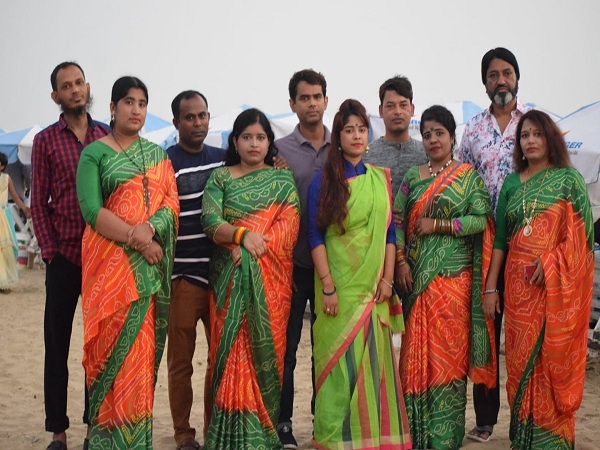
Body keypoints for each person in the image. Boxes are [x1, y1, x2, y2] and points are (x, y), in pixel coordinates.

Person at [76, 76, 179, 449]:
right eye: (129, 102)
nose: (136, 110)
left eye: (142, 103)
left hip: (147, 273)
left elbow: (171, 203)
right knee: (109, 354)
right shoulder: (95, 154)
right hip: (109, 273)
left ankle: (135, 441)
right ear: (112, 107)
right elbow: (92, 210)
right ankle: (105, 440)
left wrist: (151, 229)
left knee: (139, 359)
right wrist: (140, 240)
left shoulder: (158, 156)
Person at [483, 110, 593, 450]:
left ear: (550, 138)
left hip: (556, 293)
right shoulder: (512, 183)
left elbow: (584, 240)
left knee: (549, 361)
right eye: (524, 135)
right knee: (519, 362)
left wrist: (551, 263)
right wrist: (491, 287)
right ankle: (525, 438)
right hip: (519, 292)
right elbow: (501, 241)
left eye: (537, 134)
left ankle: (551, 441)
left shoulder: (569, 180)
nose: (530, 140)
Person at [308, 99, 410, 449]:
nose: (356, 135)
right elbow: (314, 236)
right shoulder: (323, 182)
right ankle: (332, 438)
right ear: (337, 137)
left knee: (373, 364)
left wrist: (387, 280)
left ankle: (370, 438)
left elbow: (389, 234)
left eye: (361, 129)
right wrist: (328, 286)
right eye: (348, 130)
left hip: (373, 288)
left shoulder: (379, 180)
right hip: (337, 289)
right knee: (337, 366)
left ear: (368, 135)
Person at [395, 105, 496, 449]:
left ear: (453, 137)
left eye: (439, 132)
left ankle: (444, 436)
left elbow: (480, 221)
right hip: (416, 281)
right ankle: (414, 432)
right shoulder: (412, 177)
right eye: (427, 134)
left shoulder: (467, 177)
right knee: (414, 357)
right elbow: (396, 221)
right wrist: (400, 262)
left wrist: (439, 225)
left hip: (454, 284)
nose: (433, 139)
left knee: (449, 358)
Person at [201, 108, 300, 449]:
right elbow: (210, 221)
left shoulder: (282, 181)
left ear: (270, 143)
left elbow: (288, 228)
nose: (254, 144)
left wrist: (247, 251)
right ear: (235, 141)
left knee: (266, 355)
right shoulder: (220, 178)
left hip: (271, 284)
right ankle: (227, 435)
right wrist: (241, 237)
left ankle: (262, 432)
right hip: (228, 283)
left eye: (260, 137)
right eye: (247, 137)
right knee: (228, 355)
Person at [31, 61, 110, 450]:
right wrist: (49, 253)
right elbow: (38, 201)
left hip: (103, 259)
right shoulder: (45, 141)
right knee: (57, 346)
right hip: (63, 256)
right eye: (67, 86)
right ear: (56, 96)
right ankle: (58, 432)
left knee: (97, 348)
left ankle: (94, 427)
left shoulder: (107, 135)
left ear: (87, 87)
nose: (75, 90)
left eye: (79, 82)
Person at [456, 47, 530, 443]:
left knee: (524, 333)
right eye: (493, 75)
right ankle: (485, 421)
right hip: (482, 247)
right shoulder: (473, 130)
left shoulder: (533, 125)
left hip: (526, 244)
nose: (501, 80)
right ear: (484, 82)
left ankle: (527, 419)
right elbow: (461, 180)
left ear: (517, 77)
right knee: (484, 333)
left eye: (507, 73)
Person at [165, 90, 225, 450]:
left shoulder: (223, 159)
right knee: (181, 363)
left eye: (203, 115)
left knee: (220, 360)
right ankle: (184, 434)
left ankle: (213, 429)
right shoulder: (165, 163)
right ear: (176, 122)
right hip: (183, 278)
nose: (198, 122)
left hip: (220, 278)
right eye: (189, 117)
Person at [275, 68, 330, 449]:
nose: (312, 103)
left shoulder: (341, 146)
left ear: (326, 100)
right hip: (290, 266)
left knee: (326, 349)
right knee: (288, 350)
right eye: (304, 98)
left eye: (317, 96)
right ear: (292, 104)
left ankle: (322, 421)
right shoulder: (278, 151)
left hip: (332, 268)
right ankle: (283, 424)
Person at [363, 75, 426, 198]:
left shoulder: (426, 154)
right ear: (380, 111)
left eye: (403, 105)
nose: (397, 112)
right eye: (390, 106)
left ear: (412, 109)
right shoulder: (366, 156)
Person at [0, 151, 31, 291]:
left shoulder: (6, 179)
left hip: (3, 217)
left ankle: (4, 281)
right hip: (4, 216)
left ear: (2, 166)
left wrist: (25, 208)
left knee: (6, 249)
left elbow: (16, 197)